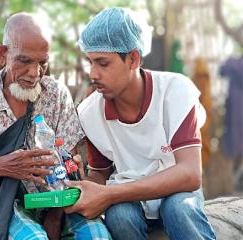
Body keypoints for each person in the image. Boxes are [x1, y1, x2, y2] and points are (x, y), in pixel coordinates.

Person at [0, 12, 110, 240]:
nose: (34, 73)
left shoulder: (55, 94)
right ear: (3, 54)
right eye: (24, 61)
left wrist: (54, 215)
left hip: (57, 201)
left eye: (42, 63)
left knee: (98, 237)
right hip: (0, 205)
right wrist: (4, 166)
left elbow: (69, 163)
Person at [64, 7, 216, 240]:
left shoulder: (176, 92)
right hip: (126, 199)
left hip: (175, 190)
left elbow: (190, 174)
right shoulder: (90, 113)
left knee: (181, 209)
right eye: (90, 62)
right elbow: (100, 173)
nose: (93, 74)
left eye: (103, 63)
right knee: (119, 217)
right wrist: (83, 186)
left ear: (133, 58)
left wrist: (110, 194)